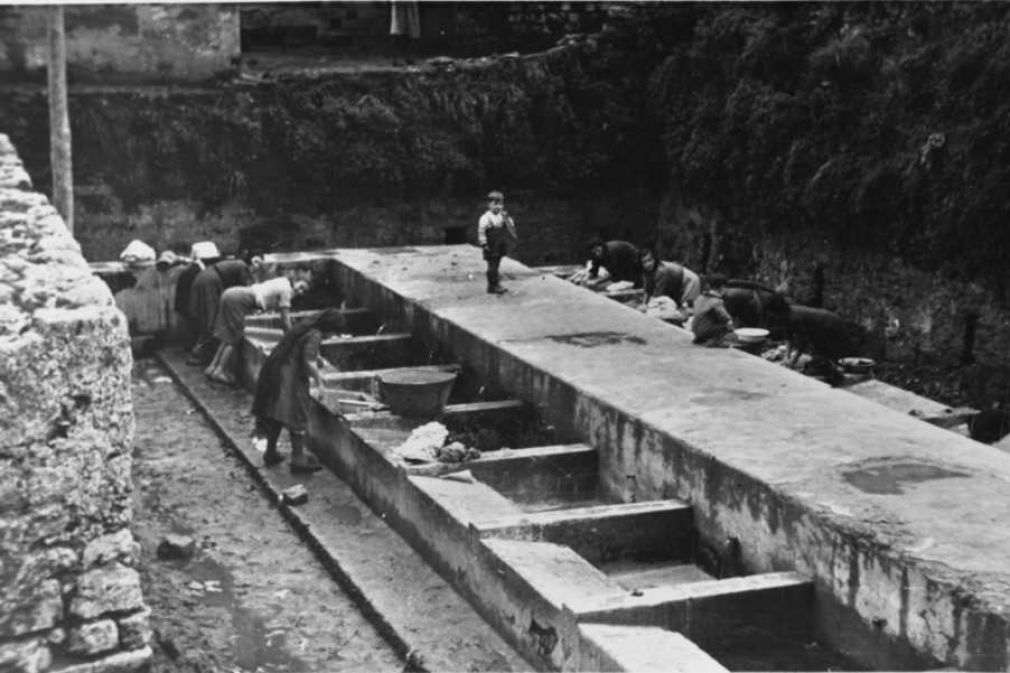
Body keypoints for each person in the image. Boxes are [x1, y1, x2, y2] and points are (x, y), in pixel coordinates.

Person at [251, 309, 347, 473]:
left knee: (277, 414)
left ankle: (271, 452)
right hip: (290, 377)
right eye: (334, 333)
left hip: (278, 371)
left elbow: (302, 351)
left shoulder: (306, 327)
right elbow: (308, 361)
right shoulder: (315, 335)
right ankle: (298, 459)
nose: (333, 336)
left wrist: (317, 360)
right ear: (329, 328)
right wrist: (320, 383)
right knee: (297, 413)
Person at [205, 275, 310, 386]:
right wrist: (293, 336)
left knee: (227, 336)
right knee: (234, 338)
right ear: (296, 281)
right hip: (238, 299)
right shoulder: (287, 291)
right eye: (301, 286)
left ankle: (211, 367)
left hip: (230, 293)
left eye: (303, 291)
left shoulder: (283, 281)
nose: (300, 291)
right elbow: (284, 319)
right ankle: (219, 370)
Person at [187, 256, 252, 367]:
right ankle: (198, 353)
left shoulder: (235, 263)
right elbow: (244, 287)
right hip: (211, 281)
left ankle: (199, 352)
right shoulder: (242, 266)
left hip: (205, 277)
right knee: (211, 322)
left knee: (207, 320)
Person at [477, 190, 518, 295]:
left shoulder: (502, 216)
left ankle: (496, 283)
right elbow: (481, 231)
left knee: (497, 263)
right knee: (492, 265)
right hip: (491, 244)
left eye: (500, 204)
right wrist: (484, 244)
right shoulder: (485, 218)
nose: (498, 207)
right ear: (489, 204)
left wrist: (507, 218)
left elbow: (511, 226)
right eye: (495, 204)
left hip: (499, 244)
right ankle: (492, 285)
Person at [638, 245, 701, 310]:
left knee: (687, 308)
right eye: (644, 262)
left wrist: (647, 307)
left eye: (649, 260)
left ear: (654, 259)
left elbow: (658, 295)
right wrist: (644, 304)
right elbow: (647, 289)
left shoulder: (660, 271)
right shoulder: (646, 272)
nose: (647, 264)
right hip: (679, 280)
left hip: (690, 280)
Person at [691, 274, 734, 346]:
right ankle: (715, 342)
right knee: (728, 327)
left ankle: (702, 339)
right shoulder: (716, 301)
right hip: (705, 331)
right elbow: (726, 318)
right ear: (722, 287)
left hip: (695, 330)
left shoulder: (700, 297)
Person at [390, 0, 421, 66]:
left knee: (409, 31)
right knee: (397, 30)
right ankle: (395, 60)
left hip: (410, 5)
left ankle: (408, 58)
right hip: (399, 4)